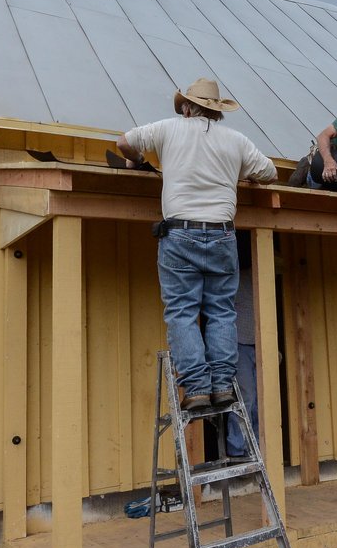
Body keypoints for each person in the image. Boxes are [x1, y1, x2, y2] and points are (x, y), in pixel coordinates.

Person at [117, 78, 277, 411]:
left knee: (182, 311)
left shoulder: (168, 129)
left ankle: (198, 388)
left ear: (187, 107)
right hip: (222, 233)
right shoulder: (236, 140)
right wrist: (241, 174)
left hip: (180, 232)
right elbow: (270, 172)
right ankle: (221, 384)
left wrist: (137, 161)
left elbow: (124, 142)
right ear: (217, 110)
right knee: (221, 311)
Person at [226, 237, 258, 458]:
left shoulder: (262, 277)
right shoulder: (232, 279)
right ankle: (237, 450)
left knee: (258, 402)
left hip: (260, 345)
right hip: (239, 346)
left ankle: (255, 448)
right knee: (244, 398)